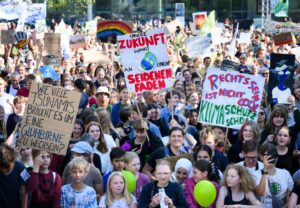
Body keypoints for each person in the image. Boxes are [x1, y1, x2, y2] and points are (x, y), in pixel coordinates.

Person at [255, 143, 294, 207]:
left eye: (273, 155)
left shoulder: (285, 174)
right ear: (261, 157)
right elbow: (261, 192)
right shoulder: (256, 174)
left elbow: (289, 199)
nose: (271, 158)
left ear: (277, 157)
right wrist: (265, 170)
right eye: (267, 155)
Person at [0, 143, 28, 208]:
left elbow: (25, 192)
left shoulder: (21, 168)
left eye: (7, 167)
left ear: (12, 160)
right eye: (2, 168)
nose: (5, 170)